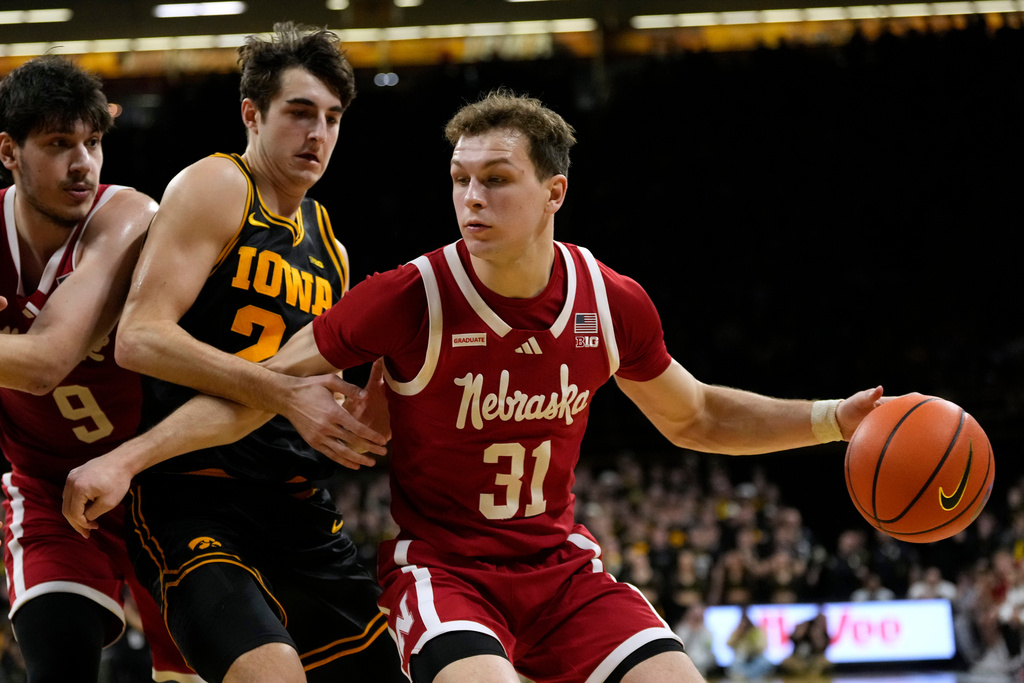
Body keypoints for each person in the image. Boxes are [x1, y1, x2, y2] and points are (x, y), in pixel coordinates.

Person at [64, 90, 888, 682]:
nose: (471, 197)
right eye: (460, 178)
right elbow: (261, 385)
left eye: (495, 179)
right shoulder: (407, 295)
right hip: (446, 573)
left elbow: (698, 413)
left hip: (563, 570)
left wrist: (830, 420)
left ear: (553, 193)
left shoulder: (611, 300)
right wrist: (127, 459)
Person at [68, 23, 403, 683]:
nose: (319, 134)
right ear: (252, 114)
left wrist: (360, 409)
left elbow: (309, 393)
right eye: (300, 113)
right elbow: (141, 336)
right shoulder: (219, 185)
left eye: (332, 118)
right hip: (192, 495)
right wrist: (278, 391)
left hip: (294, 501)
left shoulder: (329, 246)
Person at [0, 56, 199, 682]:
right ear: (9, 150)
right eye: (60, 144)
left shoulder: (126, 217)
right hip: (48, 491)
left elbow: (44, 365)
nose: (83, 162)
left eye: (93, 142)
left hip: (159, 485)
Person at [779, 611, 831, 678]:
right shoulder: (800, 633)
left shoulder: (822, 634)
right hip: (798, 659)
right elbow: (791, 640)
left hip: (813, 660)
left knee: (823, 662)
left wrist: (817, 636)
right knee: (788, 662)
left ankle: (811, 676)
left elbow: (822, 649)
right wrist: (798, 633)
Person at [726, 609, 774, 681]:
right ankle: (745, 675)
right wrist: (738, 636)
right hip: (741, 659)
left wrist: (751, 642)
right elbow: (728, 644)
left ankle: (746, 675)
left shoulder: (758, 631)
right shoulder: (737, 631)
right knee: (734, 663)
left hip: (755, 658)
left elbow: (762, 648)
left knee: (765, 662)